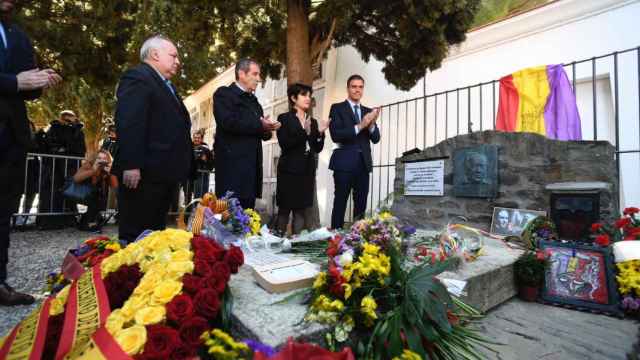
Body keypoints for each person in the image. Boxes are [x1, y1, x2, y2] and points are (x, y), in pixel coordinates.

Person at [0, 0, 62, 305]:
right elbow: (14, 81)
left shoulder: (17, 34)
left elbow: (27, 85)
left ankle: (0, 282)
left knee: (3, 210)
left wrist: (41, 81)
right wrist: (14, 81)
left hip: (10, 137)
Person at [113, 35, 194, 242]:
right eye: (173, 55)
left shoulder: (165, 84)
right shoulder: (138, 77)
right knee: (137, 236)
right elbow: (130, 122)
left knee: (153, 235)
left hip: (161, 173)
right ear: (155, 54)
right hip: (143, 174)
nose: (178, 61)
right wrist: (131, 163)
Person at [213, 58, 280, 210]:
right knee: (229, 220)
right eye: (255, 74)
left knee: (247, 218)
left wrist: (268, 129)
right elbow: (228, 122)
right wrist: (259, 124)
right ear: (242, 74)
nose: (258, 78)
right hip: (232, 170)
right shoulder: (224, 94)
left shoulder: (255, 102)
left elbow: (262, 134)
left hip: (252, 171)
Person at [328, 74, 380, 229]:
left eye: (360, 87)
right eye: (354, 86)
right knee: (340, 203)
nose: (357, 90)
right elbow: (336, 135)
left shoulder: (368, 111)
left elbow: (376, 138)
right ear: (348, 88)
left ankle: (357, 241)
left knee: (361, 206)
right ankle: (335, 239)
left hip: (363, 165)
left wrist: (371, 125)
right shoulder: (337, 108)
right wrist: (360, 126)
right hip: (343, 164)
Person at [275, 83, 328, 235]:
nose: (308, 98)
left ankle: (296, 245)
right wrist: (303, 131)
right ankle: (278, 240)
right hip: (289, 172)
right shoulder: (284, 118)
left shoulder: (313, 121)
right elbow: (285, 144)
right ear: (293, 98)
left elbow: (316, 148)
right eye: (304, 95)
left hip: (306, 172)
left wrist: (320, 134)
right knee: (284, 209)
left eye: (309, 95)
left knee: (301, 211)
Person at [37, 109, 86, 229]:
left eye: (71, 118)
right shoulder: (54, 128)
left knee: (69, 192)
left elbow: (81, 149)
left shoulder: (78, 131)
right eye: (65, 118)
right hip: (53, 168)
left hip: (70, 168)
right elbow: (48, 145)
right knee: (52, 192)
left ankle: (68, 218)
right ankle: (50, 221)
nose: (68, 121)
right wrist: (58, 149)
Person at [73, 149, 118, 232]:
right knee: (94, 199)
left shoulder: (106, 170)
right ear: (95, 159)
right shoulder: (88, 165)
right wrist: (93, 170)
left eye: (104, 159)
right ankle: (86, 223)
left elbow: (114, 186)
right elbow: (76, 179)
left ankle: (92, 222)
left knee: (98, 200)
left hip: (98, 196)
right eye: (99, 158)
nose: (102, 161)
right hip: (82, 193)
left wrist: (110, 173)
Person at [188, 129, 213, 201]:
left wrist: (205, 160)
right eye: (195, 138)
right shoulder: (189, 146)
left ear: (201, 139)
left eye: (198, 138)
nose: (196, 139)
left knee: (200, 196)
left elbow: (211, 163)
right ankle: (188, 210)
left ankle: (199, 210)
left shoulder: (206, 148)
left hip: (201, 177)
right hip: (189, 175)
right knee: (187, 194)